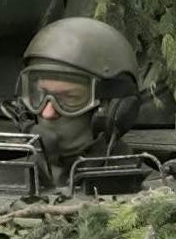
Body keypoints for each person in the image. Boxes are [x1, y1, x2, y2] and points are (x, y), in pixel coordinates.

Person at [12, 16, 143, 170]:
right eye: (41, 94)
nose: (47, 113)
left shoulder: (154, 190)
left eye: (70, 97)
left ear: (114, 110)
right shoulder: (6, 176)